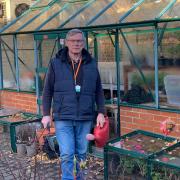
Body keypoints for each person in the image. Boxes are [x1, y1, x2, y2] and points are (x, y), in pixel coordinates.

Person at [41, 29, 105, 180]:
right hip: (63, 116)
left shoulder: (91, 63)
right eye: (73, 41)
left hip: (85, 116)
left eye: (79, 41)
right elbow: (47, 90)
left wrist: (101, 112)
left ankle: (80, 177)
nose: (76, 44)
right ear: (67, 43)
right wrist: (45, 114)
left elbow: (98, 90)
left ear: (83, 43)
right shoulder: (56, 63)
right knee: (67, 153)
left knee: (82, 153)